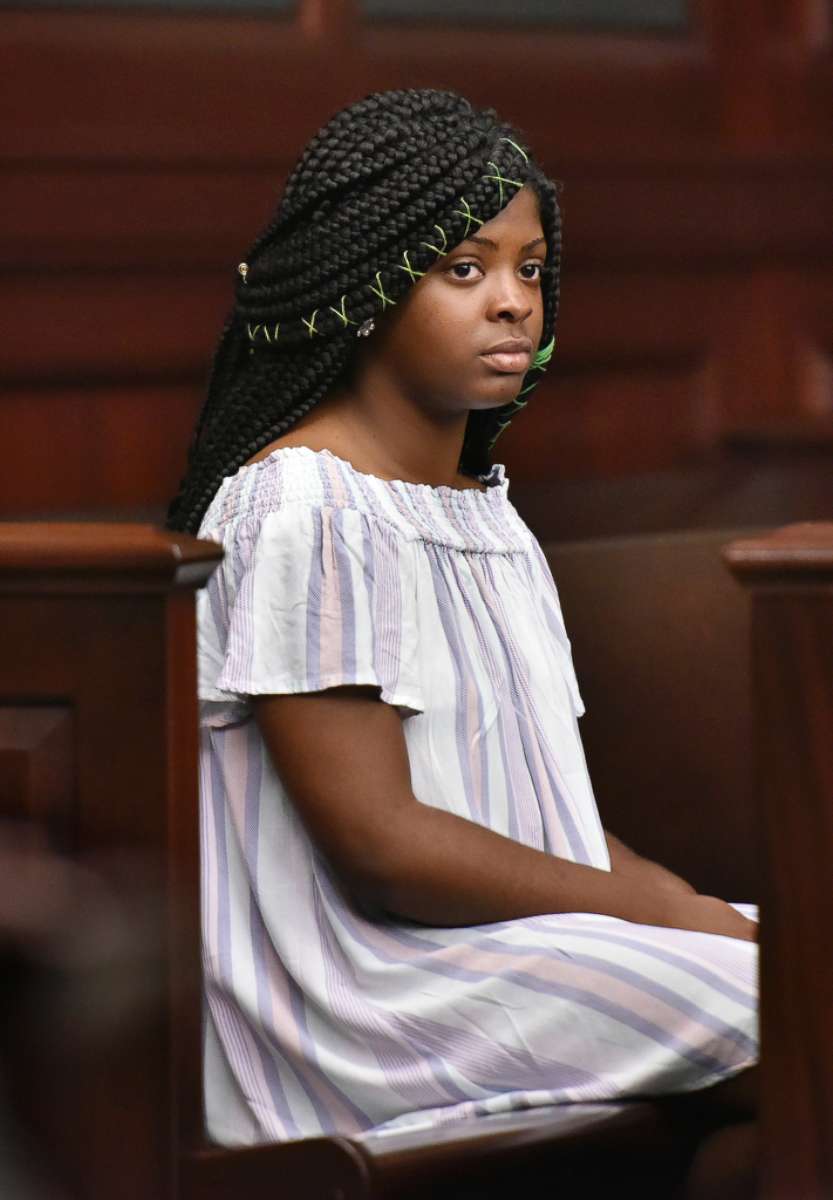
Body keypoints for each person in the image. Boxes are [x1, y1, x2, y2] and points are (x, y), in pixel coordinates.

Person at [166, 89, 759, 1182]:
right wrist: (658, 914)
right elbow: (382, 848)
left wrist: (685, 909)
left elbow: (553, 825)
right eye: (463, 268)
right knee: (795, 1009)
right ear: (365, 282)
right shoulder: (303, 506)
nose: (510, 304)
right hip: (374, 1002)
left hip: (512, 951)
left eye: (528, 269)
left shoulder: (484, 511)